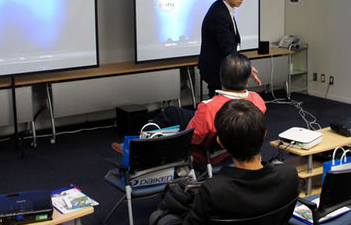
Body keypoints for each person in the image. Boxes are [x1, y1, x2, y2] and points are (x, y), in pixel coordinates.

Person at [149, 99, 299, 225]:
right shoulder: (289, 175)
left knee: (157, 218)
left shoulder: (214, 190)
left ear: (220, 142)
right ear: (264, 133)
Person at [112, 53, 266, 166]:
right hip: (232, 148)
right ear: (247, 80)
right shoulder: (257, 101)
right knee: (173, 112)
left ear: (221, 77)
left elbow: (192, 138)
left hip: (206, 155)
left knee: (170, 114)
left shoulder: (208, 107)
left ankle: (136, 147)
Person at [198, 0, 260, 98]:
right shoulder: (219, 14)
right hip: (218, 69)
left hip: (224, 67)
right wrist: (245, 67)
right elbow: (227, 47)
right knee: (219, 103)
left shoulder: (224, 8)